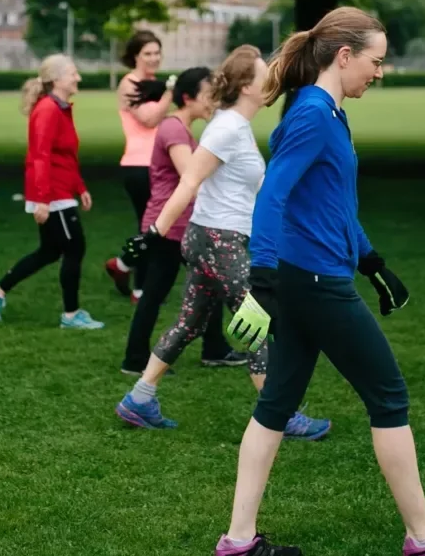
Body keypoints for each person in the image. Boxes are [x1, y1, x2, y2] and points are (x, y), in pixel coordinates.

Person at [214, 7, 425, 556]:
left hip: (314, 276)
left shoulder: (327, 112)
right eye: (376, 60)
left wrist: (372, 262)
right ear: (344, 57)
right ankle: (424, 540)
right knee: (389, 396)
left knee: (275, 404)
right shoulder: (316, 115)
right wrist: (262, 281)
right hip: (313, 284)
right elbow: (273, 196)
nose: (381, 71)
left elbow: (332, 203)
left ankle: (238, 542)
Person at [114, 45, 330, 440]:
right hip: (218, 240)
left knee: (189, 323)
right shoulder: (226, 128)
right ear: (247, 86)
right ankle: (280, 415)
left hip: (214, 238)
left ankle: (139, 399)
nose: (270, 80)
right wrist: (153, 234)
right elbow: (190, 181)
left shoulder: (237, 127)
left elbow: (255, 188)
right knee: (257, 319)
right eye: (264, 74)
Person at [117, 66, 248, 375]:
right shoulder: (174, 129)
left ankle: (213, 348)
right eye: (207, 96)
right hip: (170, 227)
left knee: (209, 284)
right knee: (157, 292)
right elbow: (192, 176)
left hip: (178, 224)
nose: (212, 102)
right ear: (188, 98)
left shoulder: (179, 128)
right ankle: (136, 359)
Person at [0, 54, 104, 330]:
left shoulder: (59, 108)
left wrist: (80, 187)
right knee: (74, 247)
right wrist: (43, 200)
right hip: (53, 195)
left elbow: (66, 156)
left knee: (50, 251)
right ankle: (71, 315)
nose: (78, 78)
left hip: (59, 191)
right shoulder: (48, 110)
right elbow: (40, 156)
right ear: (57, 79)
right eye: (73, 73)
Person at [104, 30, 174, 304]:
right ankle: (138, 288)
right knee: (153, 227)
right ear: (135, 56)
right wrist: (170, 92)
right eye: (148, 53)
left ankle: (122, 267)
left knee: (154, 227)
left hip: (156, 164)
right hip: (138, 165)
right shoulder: (129, 84)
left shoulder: (152, 84)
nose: (154, 58)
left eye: (157, 53)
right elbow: (149, 118)